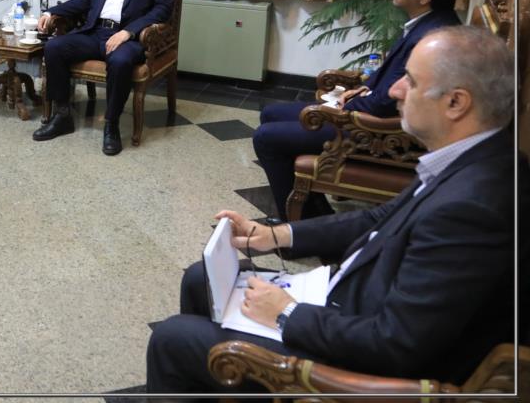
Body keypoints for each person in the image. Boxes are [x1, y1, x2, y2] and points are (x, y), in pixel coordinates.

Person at [145, 26, 521, 394]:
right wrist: (275, 235)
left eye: (410, 80)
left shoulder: (473, 209)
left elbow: (397, 344)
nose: (394, 90)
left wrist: (287, 312)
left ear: (456, 103)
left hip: (368, 367)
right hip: (356, 303)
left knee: (172, 339)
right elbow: (378, 219)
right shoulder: (471, 159)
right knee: (200, 278)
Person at [253, 0, 464, 220]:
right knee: (271, 113)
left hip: (378, 133)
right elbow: (390, 73)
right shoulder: (429, 23)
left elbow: (385, 103)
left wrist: (345, 106)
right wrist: (362, 87)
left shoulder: (432, 39)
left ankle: (300, 224)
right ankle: (314, 212)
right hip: (371, 114)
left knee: (267, 138)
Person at [33, 0, 175, 155]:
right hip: (95, 31)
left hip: (128, 36)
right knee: (54, 47)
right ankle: (63, 115)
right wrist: (51, 12)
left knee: (120, 61)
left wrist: (128, 32)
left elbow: (163, 9)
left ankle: (111, 124)